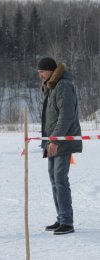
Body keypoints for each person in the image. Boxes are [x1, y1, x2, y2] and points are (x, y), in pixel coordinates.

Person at [38, 57, 82, 235]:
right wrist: (49, 141)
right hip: (52, 140)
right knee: (54, 178)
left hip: (61, 141)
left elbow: (66, 116)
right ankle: (61, 218)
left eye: (42, 71)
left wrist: (55, 140)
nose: (40, 75)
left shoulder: (63, 85)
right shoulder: (53, 85)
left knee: (60, 179)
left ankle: (67, 222)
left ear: (50, 70)